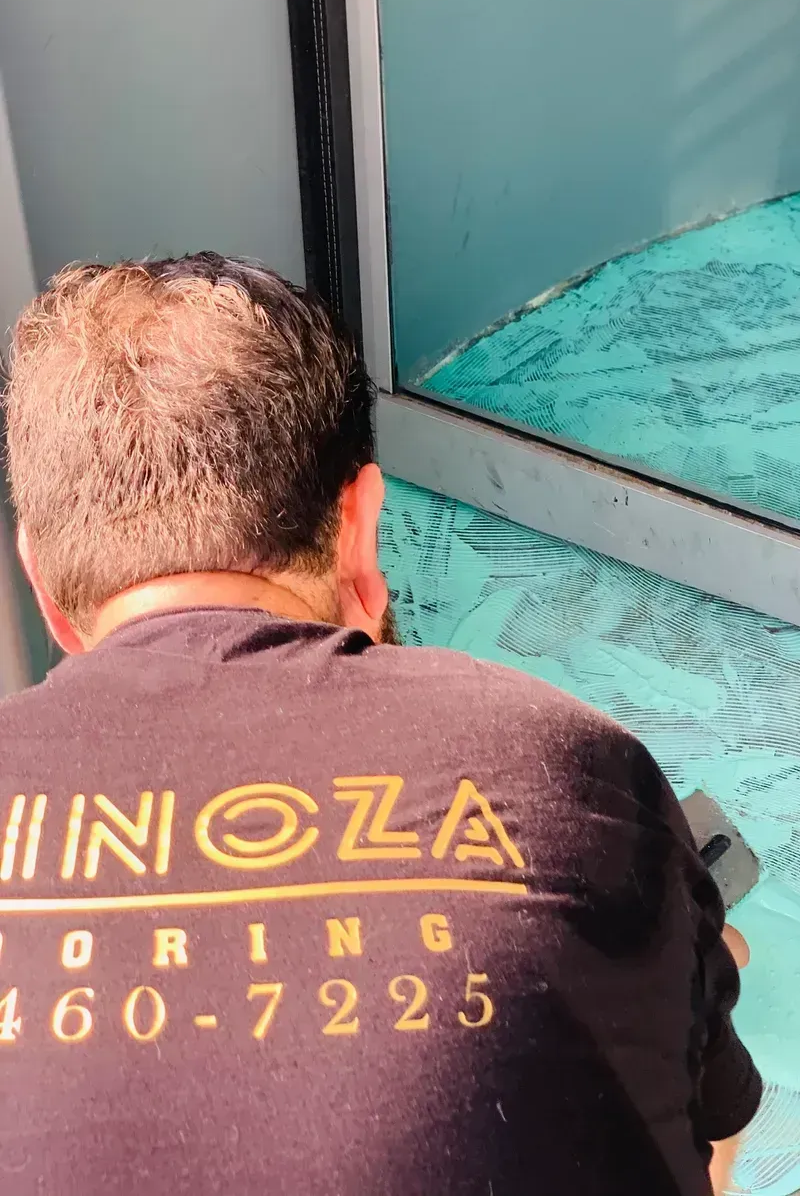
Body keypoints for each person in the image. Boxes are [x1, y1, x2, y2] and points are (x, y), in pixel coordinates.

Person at [0, 253, 759, 1195]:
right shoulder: (566, 773)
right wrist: (692, 960)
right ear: (362, 527)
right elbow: (706, 1143)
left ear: (45, 585)